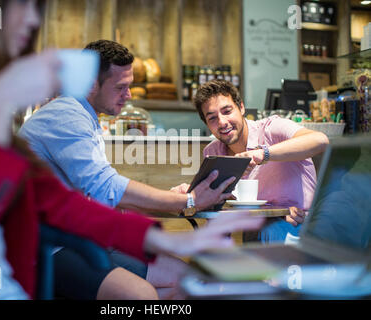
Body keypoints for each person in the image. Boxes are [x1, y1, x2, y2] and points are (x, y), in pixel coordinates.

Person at [0, 0, 264, 300]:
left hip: (38, 252)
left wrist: (163, 240)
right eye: (20, 4)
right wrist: (185, 204)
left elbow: (58, 203)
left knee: (183, 282)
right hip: (29, 259)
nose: (32, 20)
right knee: (147, 293)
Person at [19, 40, 237, 299]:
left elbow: (106, 198)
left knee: (189, 279)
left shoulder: (85, 118)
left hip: (78, 238)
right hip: (45, 246)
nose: (130, 95)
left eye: (130, 85)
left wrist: (177, 198)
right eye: (121, 87)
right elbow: (107, 187)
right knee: (141, 294)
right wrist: (187, 200)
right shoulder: (66, 117)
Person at [184, 79, 330, 243]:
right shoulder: (213, 152)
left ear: (241, 107)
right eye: (212, 118)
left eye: (227, 111)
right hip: (259, 227)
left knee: (267, 231)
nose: (222, 122)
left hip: (304, 226)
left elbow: (320, 140)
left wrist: (264, 154)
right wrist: (192, 193)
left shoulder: (272, 128)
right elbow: (217, 206)